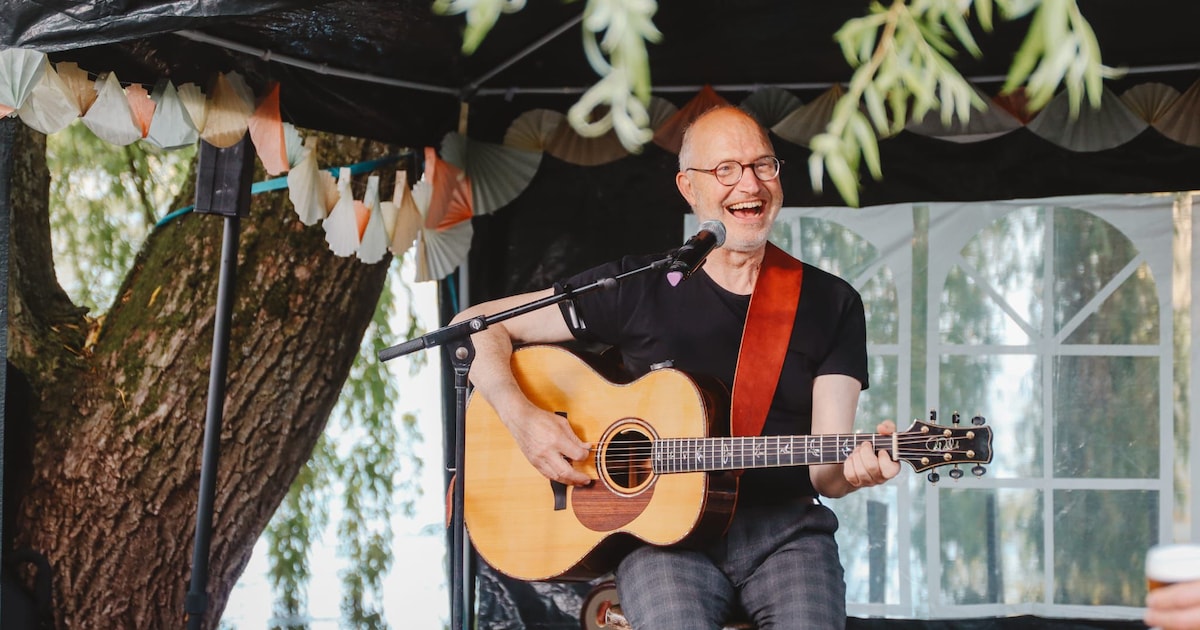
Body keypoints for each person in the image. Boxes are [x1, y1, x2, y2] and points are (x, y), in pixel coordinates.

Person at [452, 106, 900, 630]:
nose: (749, 184)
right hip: (659, 540)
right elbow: (471, 327)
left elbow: (826, 471)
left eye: (763, 165)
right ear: (689, 187)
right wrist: (522, 418)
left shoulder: (830, 303)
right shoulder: (640, 286)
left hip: (786, 535)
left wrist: (856, 472)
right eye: (726, 169)